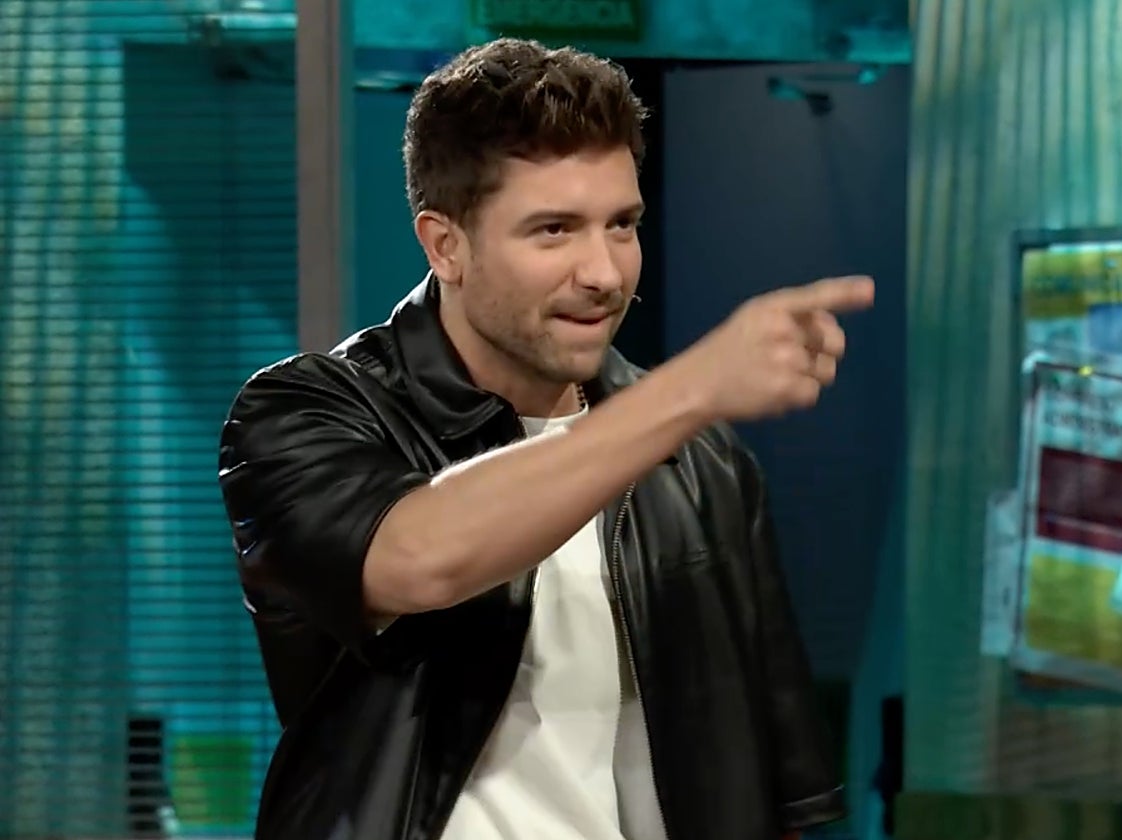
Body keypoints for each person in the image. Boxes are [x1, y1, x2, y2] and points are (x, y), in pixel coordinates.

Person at [218, 37, 874, 840]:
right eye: (555, 230)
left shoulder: (701, 461)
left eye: (622, 225)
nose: (604, 274)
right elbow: (417, 557)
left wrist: (679, 407)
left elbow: (774, 792)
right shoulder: (303, 412)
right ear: (445, 245)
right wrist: (691, 388)